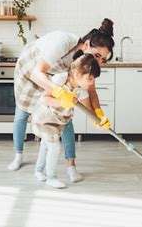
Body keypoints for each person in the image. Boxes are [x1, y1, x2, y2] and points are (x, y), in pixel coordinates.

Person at [8, 18, 115, 183]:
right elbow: (37, 74)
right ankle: (18, 155)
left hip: (53, 76)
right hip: (31, 67)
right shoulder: (62, 41)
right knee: (22, 113)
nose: (99, 62)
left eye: (103, 59)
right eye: (97, 55)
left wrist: (98, 116)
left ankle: (71, 165)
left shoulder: (84, 65)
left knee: (63, 117)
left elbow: (90, 92)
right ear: (86, 45)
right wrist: (58, 92)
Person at [33, 54, 100, 188]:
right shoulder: (60, 79)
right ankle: (51, 178)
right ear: (77, 74)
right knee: (54, 146)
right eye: (90, 78)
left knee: (46, 145)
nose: (92, 82)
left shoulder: (81, 90)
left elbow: (88, 109)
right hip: (45, 118)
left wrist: (98, 119)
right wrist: (61, 101)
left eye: (94, 79)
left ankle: (38, 171)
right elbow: (44, 99)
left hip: (59, 121)